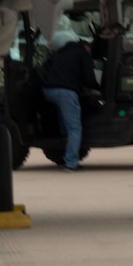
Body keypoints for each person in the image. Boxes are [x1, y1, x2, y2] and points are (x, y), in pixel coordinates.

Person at [40, 22, 99, 171]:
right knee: (75, 129)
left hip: (48, 90)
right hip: (66, 92)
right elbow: (89, 79)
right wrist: (97, 88)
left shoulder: (61, 52)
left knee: (65, 125)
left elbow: (46, 68)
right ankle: (71, 163)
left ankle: (61, 149)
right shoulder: (83, 53)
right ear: (87, 47)